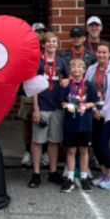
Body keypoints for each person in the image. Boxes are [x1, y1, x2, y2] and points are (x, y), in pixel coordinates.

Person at [30, 31, 70, 187]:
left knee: (54, 140)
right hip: (42, 104)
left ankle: (53, 172)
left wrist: (67, 79)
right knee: (38, 140)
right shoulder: (37, 61)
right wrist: (35, 108)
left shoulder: (61, 61)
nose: (51, 44)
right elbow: (33, 87)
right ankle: (36, 173)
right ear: (43, 44)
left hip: (57, 105)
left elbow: (70, 77)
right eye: (48, 42)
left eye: (54, 41)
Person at [57, 59, 99, 192]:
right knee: (70, 151)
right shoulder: (66, 84)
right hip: (70, 123)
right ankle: (69, 178)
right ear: (69, 69)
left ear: (84, 70)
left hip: (85, 123)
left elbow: (94, 102)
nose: (76, 69)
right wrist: (66, 106)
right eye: (73, 66)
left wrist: (86, 105)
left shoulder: (89, 85)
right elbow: (62, 101)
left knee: (84, 151)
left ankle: (84, 177)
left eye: (79, 67)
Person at [87, 41, 110, 189]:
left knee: (102, 143)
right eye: (99, 52)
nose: (101, 55)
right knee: (95, 144)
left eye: (104, 52)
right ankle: (103, 173)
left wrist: (103, 111)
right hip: (94, 111)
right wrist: (94, 109)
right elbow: (87, 89)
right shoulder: (91, 69)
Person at [19, 22, 48, 168]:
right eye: (38, 31)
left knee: (45, 123)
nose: (41, 34)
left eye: (43, 31)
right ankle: (27, 152)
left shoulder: (49, 49)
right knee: (27, 122)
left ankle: (44, 153)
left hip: (46, 94)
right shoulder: (26, 50)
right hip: (28, 92)